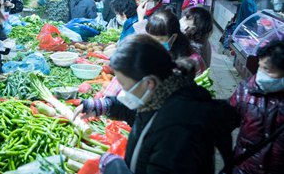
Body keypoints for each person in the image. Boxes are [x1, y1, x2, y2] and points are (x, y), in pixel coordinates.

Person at [74, 34, 237, 174]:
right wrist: (105, 105)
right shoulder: (164, 94)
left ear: (149, 83)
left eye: (124, 85)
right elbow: (141, 112)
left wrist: (114, 167)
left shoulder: (179, 129)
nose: (122, 92)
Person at [230, 40, 284, 174]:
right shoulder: (245, 90)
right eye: (260, 67)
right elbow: (227, 119)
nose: (261, 75)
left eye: (267, 70)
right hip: (244, 168)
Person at [146, 9, 206, 75]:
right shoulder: (148, 50)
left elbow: (201, 83)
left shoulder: (194, 61)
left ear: (173, 37)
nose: (153, 44)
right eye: (150, 38)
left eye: (160, 40)